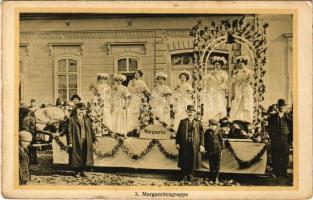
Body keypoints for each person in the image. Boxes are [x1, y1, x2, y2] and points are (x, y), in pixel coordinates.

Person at [66, 102, 97, 178]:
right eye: (80, 109)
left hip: (86, 140)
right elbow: (68, 131)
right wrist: (70, 142)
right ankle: (77, 172)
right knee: (77, 155)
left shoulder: (87, 119)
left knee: (84, 155)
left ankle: (83, 171)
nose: (82, 111)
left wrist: (94, 138)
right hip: (76, 140)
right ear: (76, 110)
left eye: (83, 110)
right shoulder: (72, 120)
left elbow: (91, 129)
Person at [175, 105, 205, 181]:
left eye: (192, 112)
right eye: (189, 112)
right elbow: (178, 134)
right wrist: (177, 143)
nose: (190, 113)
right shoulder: (182, 122)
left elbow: (202, 134)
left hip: (194, 144)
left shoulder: (198, 122)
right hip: (184, 144)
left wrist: (202, 145)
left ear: (194, 113)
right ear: (187, 113)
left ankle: (190, 176)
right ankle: (183, 176)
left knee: (192, 160)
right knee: (184, 159)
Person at [267, 99, 293, 177]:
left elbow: (292, 127)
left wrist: (290, 139)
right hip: (276, 138)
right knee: (276, 155)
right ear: (277, 106)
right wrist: (272, 136)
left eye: (283, 106)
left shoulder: (289, 116)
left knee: (285, 156)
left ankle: (284, 173)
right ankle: (277, 172)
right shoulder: (272, 116)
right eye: (280, 106)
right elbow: (269, 128)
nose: (281, 107)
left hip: (285, 138)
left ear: (285, 107)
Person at [202, 56, 228, 123]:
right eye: (216, 64)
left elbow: (224, 82)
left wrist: (221, 86)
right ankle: (212, 119)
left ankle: (219, 119)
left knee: (219, 105)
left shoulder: (223, 73)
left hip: (219, 91)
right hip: (212, 92)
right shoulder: (211, 73)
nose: (217, 66)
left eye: (218, 64)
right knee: (211, 105)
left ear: (221, 65)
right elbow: (204, 78)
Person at [229, 56, 254, 123]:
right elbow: (233, 83)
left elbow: (250, 81)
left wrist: (244, 83)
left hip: (246, 89)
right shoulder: (236, 72)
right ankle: (237, 119)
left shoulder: (249, 72)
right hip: (238, 89)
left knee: (245, 103)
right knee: (237, 103)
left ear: (245, 63)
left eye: (242, 62)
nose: (240, 64)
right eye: (239, 62)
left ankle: (246, 120)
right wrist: (233, 93)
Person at [204, 119, 224, 183]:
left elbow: (221, 141)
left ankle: (216, 178)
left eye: (214, 125)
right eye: (211, 125)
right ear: (209, 125)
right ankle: (211, 179)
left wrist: (221, 150)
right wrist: (206, 149)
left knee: (217, 165)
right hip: (210, 151)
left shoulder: (218, 131)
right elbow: (205, 142)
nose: (213, 127)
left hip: (217, 150)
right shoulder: (207, 132)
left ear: (216, 126)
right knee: (211, 165)